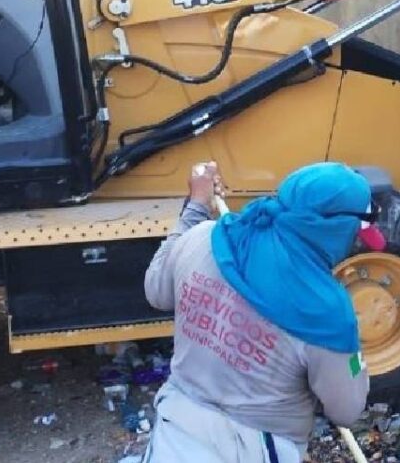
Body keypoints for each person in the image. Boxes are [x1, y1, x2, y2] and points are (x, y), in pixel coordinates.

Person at [144, 161, 385, 463]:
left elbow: (156, 290)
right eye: (355, 236)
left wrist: (195, 207)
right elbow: (346, 411)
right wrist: (350, 360)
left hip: (174, 434)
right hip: (255, 449)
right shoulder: (326, 312)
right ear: (335, 231)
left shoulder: (205, 237)